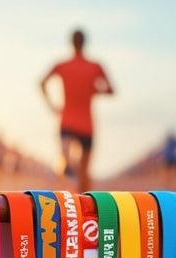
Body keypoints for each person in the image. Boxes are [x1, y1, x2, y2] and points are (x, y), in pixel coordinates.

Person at [40, 28, 114, 194]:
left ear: (71, 43)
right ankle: (85, 206)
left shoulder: (61, 65)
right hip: (87, 125)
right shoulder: (95, 67)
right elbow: (111, 90)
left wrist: (52, 106)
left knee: (66, 163)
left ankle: (68, 178)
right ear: (85, 43)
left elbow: (41, 83)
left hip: (67, 121)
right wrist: (95, 90)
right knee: (84, 172)